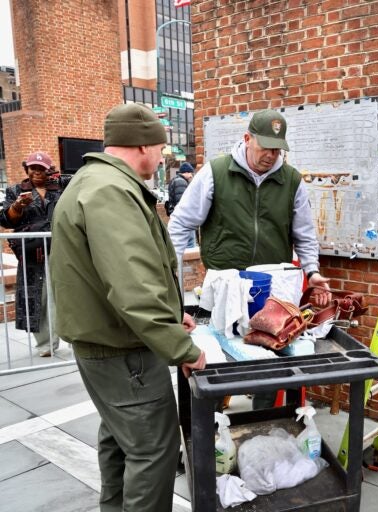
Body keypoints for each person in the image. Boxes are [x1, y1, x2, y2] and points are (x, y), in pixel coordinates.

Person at [50, 103, 206, 512]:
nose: (162, 157)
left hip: (112, 344)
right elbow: (133, 284)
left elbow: (129, 272)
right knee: (154, 449)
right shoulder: (110, 191)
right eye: (161, 149)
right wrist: (183, 349)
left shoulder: (95, 181)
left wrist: (173, 316)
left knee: (122, 442)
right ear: (143, 146)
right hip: (123, 351)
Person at [168, 109, 329, 408]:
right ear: (247, 138)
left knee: (270, 363)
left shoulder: (290, 180)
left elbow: (305, 234)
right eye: (265, 146)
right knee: (217, 361)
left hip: (272, 288)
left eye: (277, 148)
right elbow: (179, 225)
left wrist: (313, 271)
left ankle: (264, 419)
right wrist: (171, 280)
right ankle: (213, 424)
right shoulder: (216, 172)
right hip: (225, 284)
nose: (271, 155)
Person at [0, 151, 70, 356]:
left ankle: (75, 338)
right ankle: (46, 345)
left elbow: (78, 180)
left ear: (49, 170)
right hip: (32, 254)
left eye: (42, 169)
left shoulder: (60, 187)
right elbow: (5, 220)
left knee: (68, 295)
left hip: (62, 250)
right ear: (27, 170)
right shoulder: (16, 190)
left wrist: (58, 176)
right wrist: (17, 206)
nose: (37, 173)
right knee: (37, 298)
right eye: (33, 168)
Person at [166, 162, 196, 248]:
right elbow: (182, 204)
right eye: (190, 173)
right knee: (190, 246)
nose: (191, 175)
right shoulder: (181, 182)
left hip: (179, 220)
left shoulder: (176, 180)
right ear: (186, 172)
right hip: (185, 220)